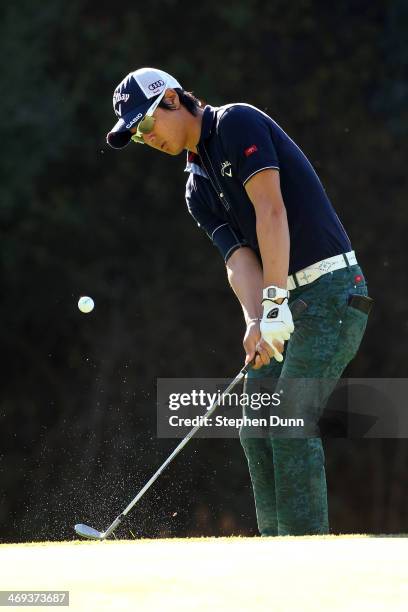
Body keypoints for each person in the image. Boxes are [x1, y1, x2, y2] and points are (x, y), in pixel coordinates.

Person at [106, 67, 373, 536]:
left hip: (333, 291)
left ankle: (307, 556)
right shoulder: (195, 188)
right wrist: (256, 319)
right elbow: (238, 259)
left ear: (171, 99)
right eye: (137, 136)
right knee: (256, 426)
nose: (147, 139)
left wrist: (273, 302)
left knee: (290, 420)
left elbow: (272, 212)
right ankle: (276, 554)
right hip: (284, 301)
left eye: (146, 125)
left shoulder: (236, 124)